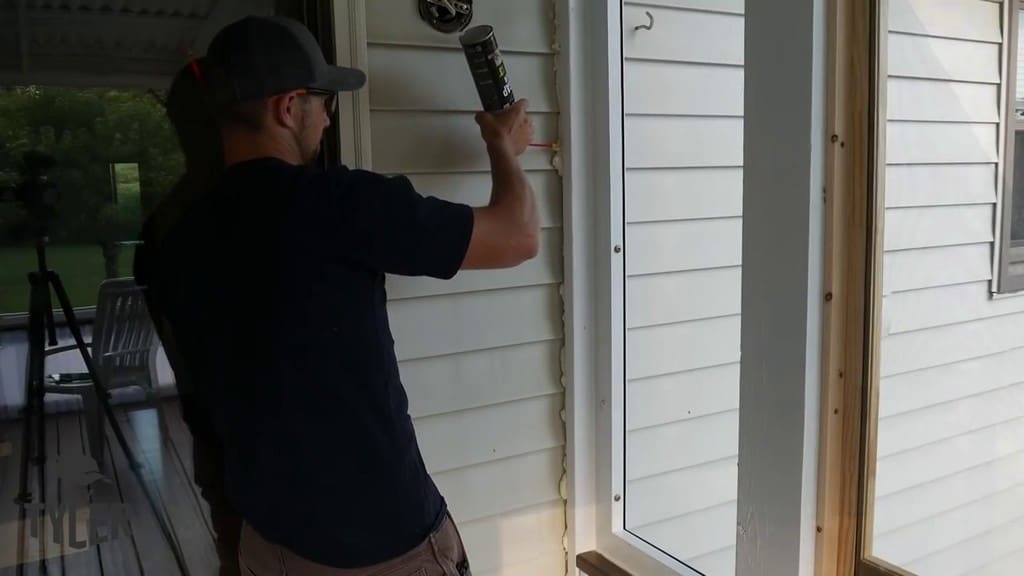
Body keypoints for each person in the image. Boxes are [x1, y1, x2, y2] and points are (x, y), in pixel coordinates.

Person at [153, 15, 538, 576]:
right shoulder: (337, 204)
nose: (329, 115)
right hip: (385, 549)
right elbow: (517, 237)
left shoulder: (180, 236)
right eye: (322, 99)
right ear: (288, 108)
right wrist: (506, 148)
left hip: (268, 544)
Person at [133, 58, 242, 575]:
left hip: (212, 435)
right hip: (246, 441)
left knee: (235, 552)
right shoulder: (231, 216)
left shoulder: (165, 223)